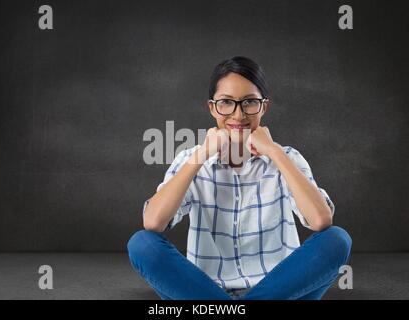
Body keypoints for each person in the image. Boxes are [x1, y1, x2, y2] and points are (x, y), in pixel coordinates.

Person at [127, 56, 352, 300]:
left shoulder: (287, 158)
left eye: (249, 103)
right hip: (205, 293)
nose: (238, 114)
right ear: (212, 107)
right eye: (226, 103)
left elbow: (320, 220)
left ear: (263, 107)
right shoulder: (191, 160)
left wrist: (274, 152)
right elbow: (153, 223)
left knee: (337, 239)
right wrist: (202, 154)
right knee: (142, 245)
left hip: (281, 292)